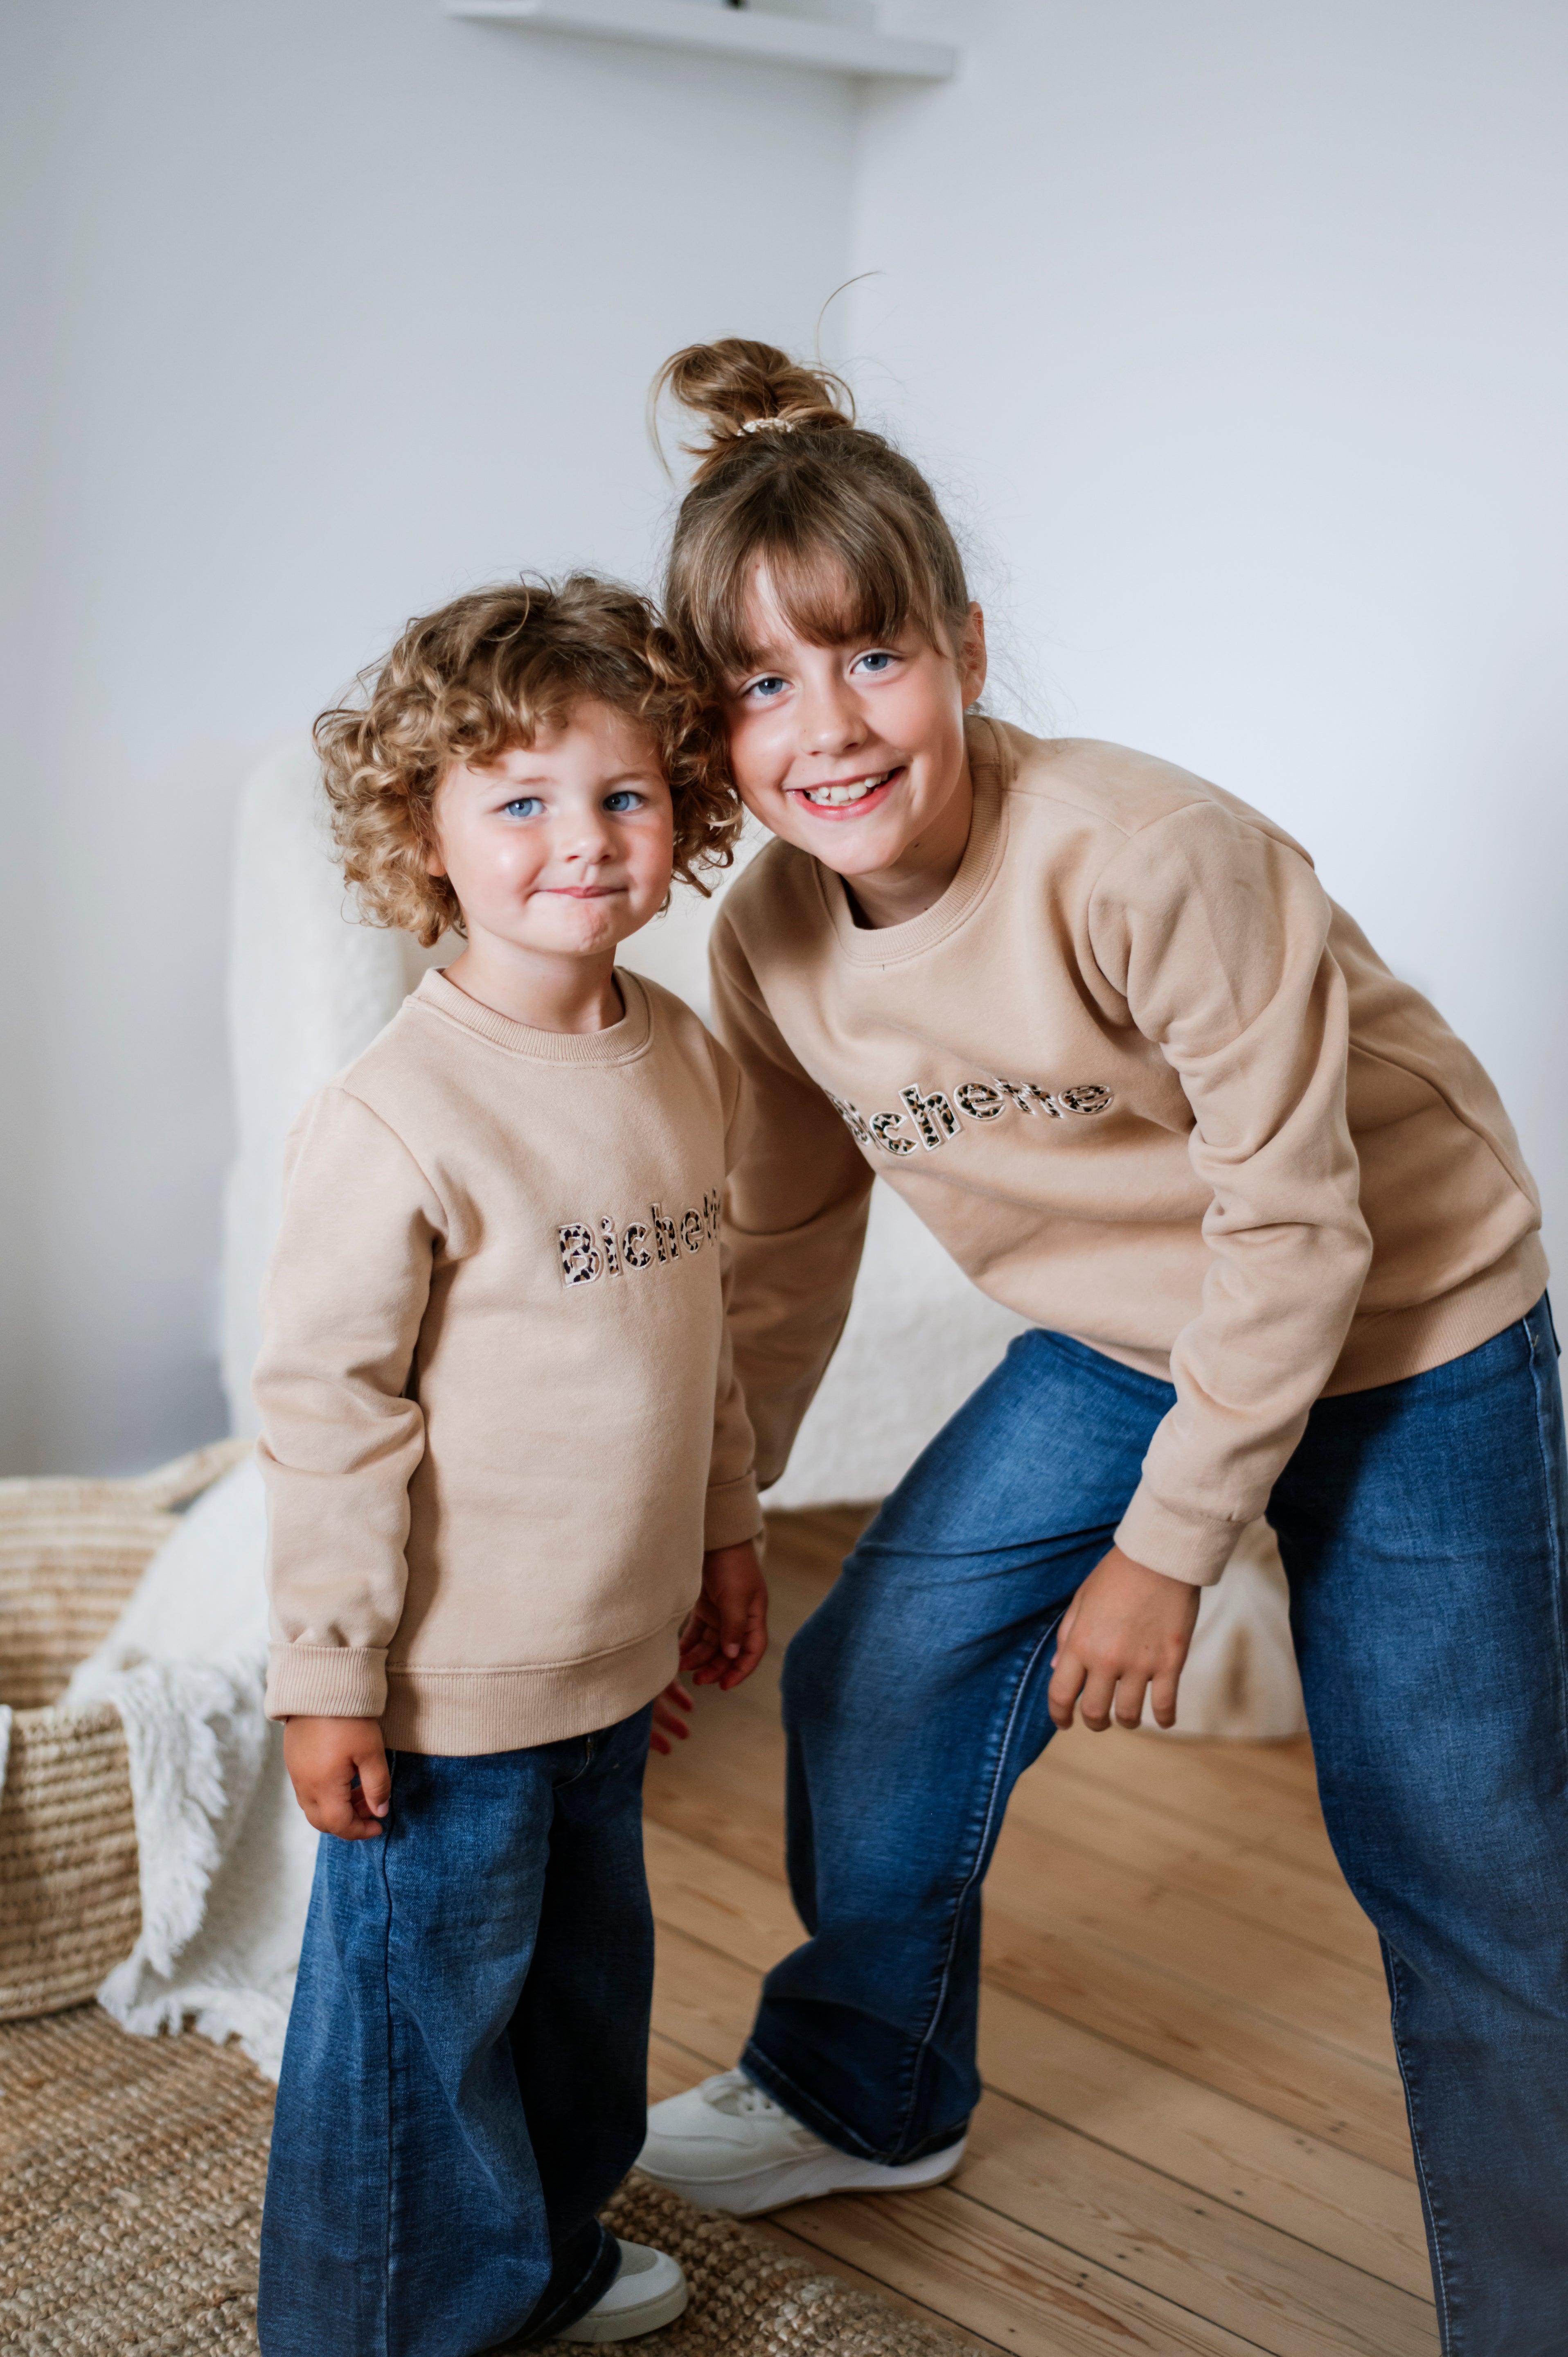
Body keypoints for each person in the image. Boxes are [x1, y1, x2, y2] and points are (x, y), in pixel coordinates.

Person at [635, 341, 1567, 2349]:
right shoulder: (767, 943)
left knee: (1465, 1855)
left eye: (872, 657)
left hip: (1408, 1320)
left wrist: (1166, 1548)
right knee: (875, 1682)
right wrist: (715, 1515)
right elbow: (780, 1251)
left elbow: (1298, 1227)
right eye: (761, 686)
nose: (828, 728)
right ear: (710, 729)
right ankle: (865, 2092)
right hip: (1129, 1332)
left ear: (964, 651)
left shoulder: (1147, 853)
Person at [254, 577, 768, 2356]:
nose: (584, 840)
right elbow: (330, 1415)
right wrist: (331, 1678)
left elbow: (699, 1342)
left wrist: (723, 1539)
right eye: (523, 801)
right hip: (447, 1693)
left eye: (624, 795)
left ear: (682, 810)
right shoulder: (396, 1113)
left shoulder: (685, 1060)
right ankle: (380, 2321)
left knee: (578, 2001)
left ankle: (535, 2259)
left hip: (611, 1666)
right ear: (427, 832)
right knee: (419, 2041)